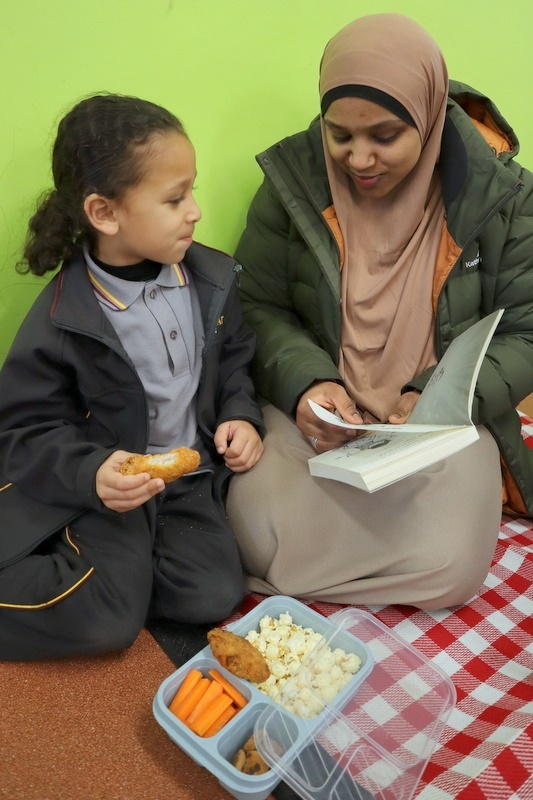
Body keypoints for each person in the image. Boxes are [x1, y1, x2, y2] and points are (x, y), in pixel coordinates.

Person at [226, 13, 533, 610]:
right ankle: (336, 567)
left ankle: (295, 576)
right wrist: (307, 383)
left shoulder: (505, 198)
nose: (358, 159)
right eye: (339, 135)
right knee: (247, 516)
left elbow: (527, 329)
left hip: (437, 423)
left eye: (385, 136)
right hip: (321, 420)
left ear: (428, 114)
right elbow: (255, 305)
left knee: (454, 561)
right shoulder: (294, 181)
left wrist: (435, 397)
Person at [0, 93, 264, 660]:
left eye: (192, 189)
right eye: (174, 199)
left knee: (213, 595)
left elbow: (236, 356)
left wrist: (241, 413)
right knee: (107, 622)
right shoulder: (65, 317)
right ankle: (97, 577)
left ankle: (110, 573)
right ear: (105, 213)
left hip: (186, 481)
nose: (195, 209)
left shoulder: (212, 280)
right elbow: (22, 432)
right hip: (113, 491)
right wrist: (93, 471)